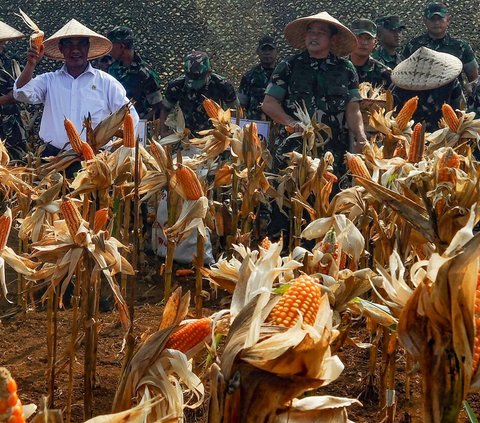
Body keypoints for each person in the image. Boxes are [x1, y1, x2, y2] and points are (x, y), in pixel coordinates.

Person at [262, 11, 367, 175]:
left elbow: (353, 109)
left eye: (321, 32)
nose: (314, 36)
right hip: (295, 151)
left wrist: (361, 136)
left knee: (330, 198)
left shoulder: (345, 69)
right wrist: (290, 122)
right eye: (311, 31)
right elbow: (269, 104)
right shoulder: (289, 66)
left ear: (332, 39)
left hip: (333, 153)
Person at [13, 18, 138, 156]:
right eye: (69, 45)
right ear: (61, 49)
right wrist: (31, 64)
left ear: (88, 47)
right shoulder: (49, 80)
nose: (75, 50)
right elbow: (20, 93)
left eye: (81, 44)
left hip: (95, 159)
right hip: (52, 158)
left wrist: (121, 153)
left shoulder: (106, 83)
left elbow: (131, 117)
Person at [159, 51, 238, 137]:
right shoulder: (176, 86)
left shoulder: (222, 85)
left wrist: (231, 130)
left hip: (215, 136)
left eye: (198, 80)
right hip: (186, 135)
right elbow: (165, 109)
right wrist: (163, 131)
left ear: (208, 73)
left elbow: (235, 109)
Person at [402, 2, 478, 85]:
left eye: (440, 19)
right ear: (425, 21)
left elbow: (474, 79)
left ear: (448, 20)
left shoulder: (461, 46)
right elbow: (403, 75)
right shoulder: (413, 46)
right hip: (421, 95)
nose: (436, 23)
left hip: (453, 96)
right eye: (432, 19)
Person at [392, 47, 464, 132]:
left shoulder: (451, 83)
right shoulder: (399, 87)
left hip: (445, 135)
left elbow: (459, 112)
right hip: (408, 136)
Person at [107, 26, 162, 120]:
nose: (109, 50)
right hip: (114, 123)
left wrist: (140, 124)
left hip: (138, 126)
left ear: (121, 46)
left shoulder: (145, 73)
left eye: (111, 46)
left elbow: (157, 107)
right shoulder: (112, 68)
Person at [0, 21, 28, 160]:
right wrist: (5, 99)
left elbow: (25, 83)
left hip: (15, 124)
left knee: (18, 164)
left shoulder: (10, 62)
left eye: (2, 41)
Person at [238, 35, 278, 120]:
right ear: (258, 51)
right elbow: (241, 104)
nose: (267, 53)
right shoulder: (249, 76)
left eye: (270, 49)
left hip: (279, 125)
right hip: (255, 125)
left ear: (277, 52)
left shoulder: (284, 74)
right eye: (263, 49)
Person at [349, 18, 391, 88]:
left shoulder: (384, 74)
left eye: (368, 38)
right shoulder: (338, 68)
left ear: (375, 42)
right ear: (350, 39)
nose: (364, 42)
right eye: (359, 37)